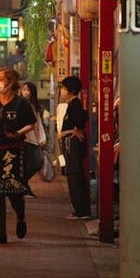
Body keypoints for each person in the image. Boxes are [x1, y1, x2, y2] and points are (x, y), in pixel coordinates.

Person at [0, 68, 35, 244]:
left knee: (14, 192)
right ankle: (1, 232)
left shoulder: (21, 104)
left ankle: (21, 218)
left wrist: (18, 132)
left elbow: (31, 124)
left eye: (0, 79)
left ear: (10, 82)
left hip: (13, 151)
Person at [59, 76, 91, 219]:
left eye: (63, 88)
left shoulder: (75, 104)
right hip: (69, 145)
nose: (62, 91)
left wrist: (76, 130)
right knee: (73, 176)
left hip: (73, 145)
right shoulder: (71, 105)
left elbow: (81, 120)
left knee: (74, 176)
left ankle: (81, 210)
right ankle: (80, 209)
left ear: (70, 90)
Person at [19, 81, 46, 198]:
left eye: (27, 90)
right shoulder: (20, 105)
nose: (24, 92)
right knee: (30, 164)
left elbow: (38, 123)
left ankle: (22, 185)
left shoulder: (35, 106)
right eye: (23, 89)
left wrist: (42, 138)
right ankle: (24, 186)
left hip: (34, 139)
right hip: (25, 139)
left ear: (32, 92)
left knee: (37, 163)